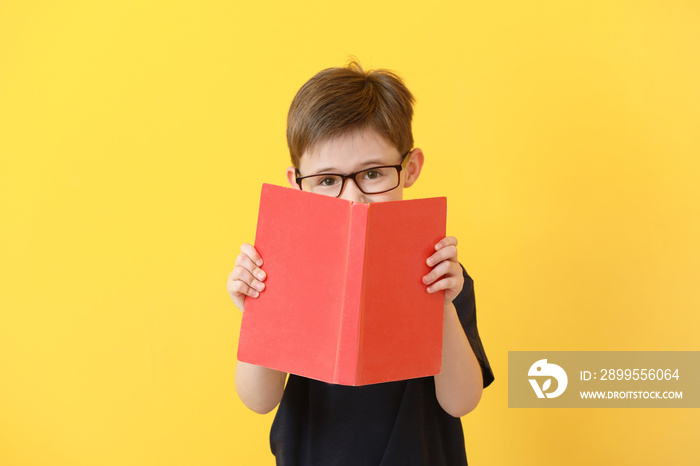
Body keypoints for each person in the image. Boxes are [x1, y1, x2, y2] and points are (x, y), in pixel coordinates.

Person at [227, 60, 494, 465]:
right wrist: (258, 313)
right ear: (297, 184)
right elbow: (258, 399)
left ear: (410, 169)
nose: (353, 200)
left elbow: (461, 401)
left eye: (372, 174)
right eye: (328, 181)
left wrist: (440, 305)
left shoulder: (442, 275)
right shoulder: (289, 272)